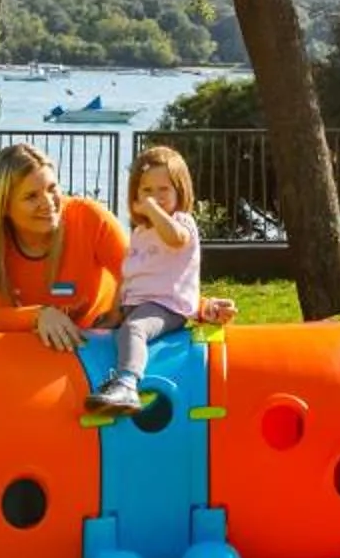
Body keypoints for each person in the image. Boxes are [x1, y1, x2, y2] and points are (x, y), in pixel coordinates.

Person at [94, 144, 236, 414]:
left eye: (163, 190)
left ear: (179, 192)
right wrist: (114, 312)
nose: (155, 198)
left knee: (134, 330)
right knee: (107, 332)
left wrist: (152, 209)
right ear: (134, 196)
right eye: (147, 190)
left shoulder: (182, 222)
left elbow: (175, 238)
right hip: (136, 304)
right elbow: (128, 276)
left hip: (166, 306)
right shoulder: (140, 233)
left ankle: (127, 384)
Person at [0, 143, 128, 352]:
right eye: (31, 196)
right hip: (32, 349)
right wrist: (39, 315)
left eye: (52, 189)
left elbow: (136, 273)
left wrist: (116, 316)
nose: (48, 202)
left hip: (97, 344)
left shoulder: (90, 218)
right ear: (3, 205)